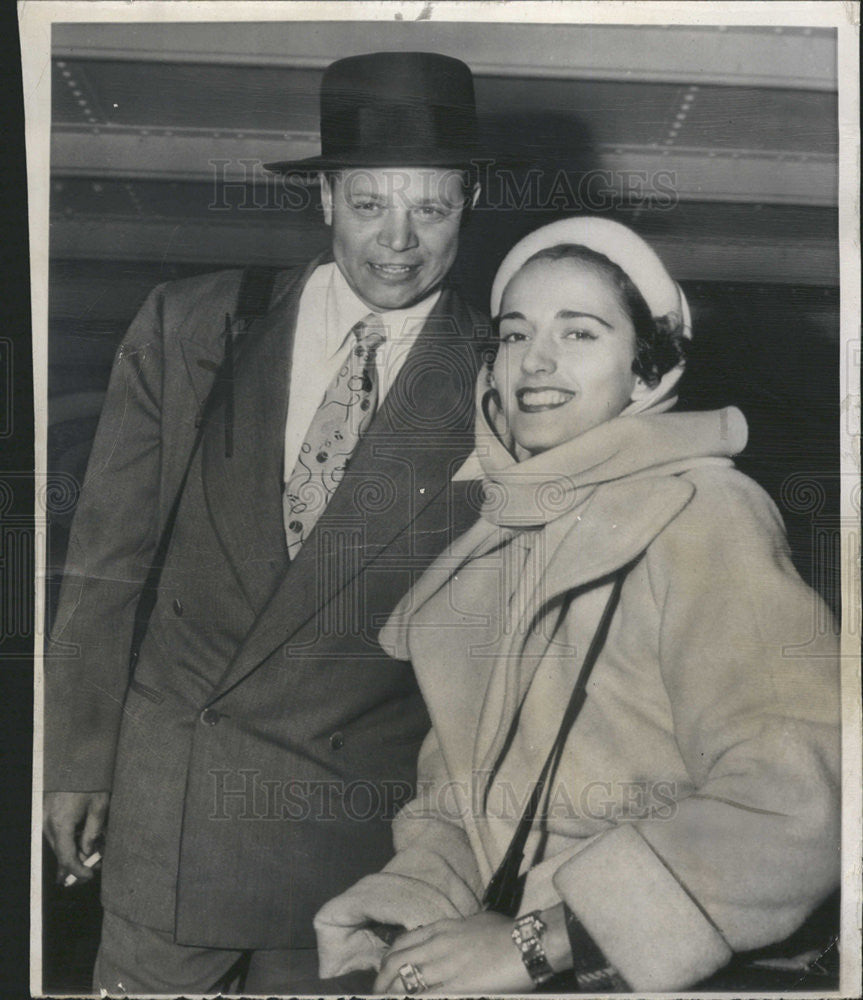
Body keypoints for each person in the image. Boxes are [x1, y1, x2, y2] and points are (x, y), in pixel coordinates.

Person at [42, 51, 490, 995]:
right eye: (369, 204)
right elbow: (106, 565)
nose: (397, 241)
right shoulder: (195, 323)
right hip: (170, 819)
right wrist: (75, 761)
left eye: (430, 209)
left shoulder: (500, 376)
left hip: (349, 862)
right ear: (325, 197)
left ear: (470, 203)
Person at [314, 218, 841, 994]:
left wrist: (532, 944)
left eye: (580, 333)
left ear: (645, 371)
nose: (536, 361)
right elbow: (463, 803)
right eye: (515, 333)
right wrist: (410, 917)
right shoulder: (500, 542)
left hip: (647, 965)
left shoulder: (704, 512)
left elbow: (796, 801)